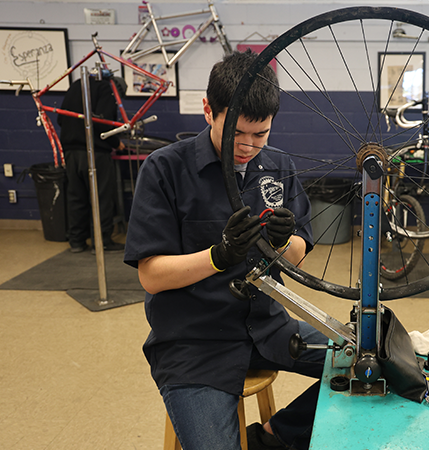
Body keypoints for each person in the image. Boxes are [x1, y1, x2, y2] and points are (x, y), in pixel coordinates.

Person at [124, 50, 325, 450]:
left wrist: (285, 242)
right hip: (194, 343)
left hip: (269, 327)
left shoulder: (279, 167)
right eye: (237, 132)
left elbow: (296, 258)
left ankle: (274, 437)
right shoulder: (164, 169)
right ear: (208, 111)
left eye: (261, 134)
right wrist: (218, 256)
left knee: (373, 368)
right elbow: (152, 275)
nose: (249, 146)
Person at [58, 75, 126, 253]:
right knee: (102, 198)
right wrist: (116, 143)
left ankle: (77, 241)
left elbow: (60, 119)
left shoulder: (77, 85)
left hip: (71, 152)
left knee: (76, 197)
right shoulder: (107, 89)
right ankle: (102, 242)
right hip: (95, 152)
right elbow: (102, 123)